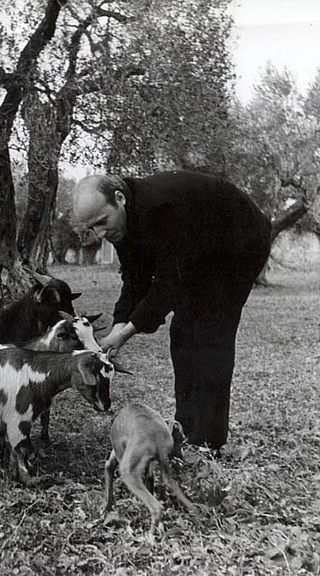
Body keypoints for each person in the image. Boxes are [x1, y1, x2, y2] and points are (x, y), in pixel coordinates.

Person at [71, 171, 271, 449]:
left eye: (103, 221)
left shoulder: (159, 208)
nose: (102, 234)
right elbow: (135, 277)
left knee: (212, 331)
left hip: (239, 241)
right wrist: (119, 323)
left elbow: (169, 284)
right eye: (93, 228)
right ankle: (185, 428)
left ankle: (208, 442)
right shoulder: (125, 223)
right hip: (203, 247)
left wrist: (126, 332)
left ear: (119, 199)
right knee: (183, 333)